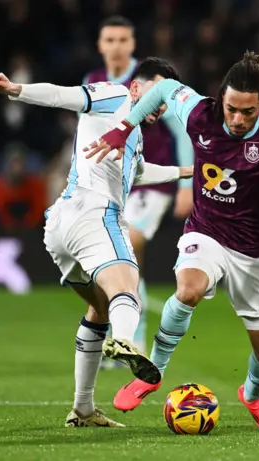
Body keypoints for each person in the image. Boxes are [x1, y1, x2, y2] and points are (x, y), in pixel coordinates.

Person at [84, 51, 259, 430]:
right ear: (221, 98)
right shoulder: (200, 112)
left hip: (254, 251)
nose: (238, 119)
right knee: (187, 290)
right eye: (232, 108)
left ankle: (252, 396)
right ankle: (150, 373)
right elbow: (164, 89)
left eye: (248, 112)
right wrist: (124, 127)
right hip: (206, 231)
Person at [0, 58, 193, 428]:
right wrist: (16, 90)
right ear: (137, 88)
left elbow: (138, 172)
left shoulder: (131, 132)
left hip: (61, 224)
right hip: (95, 214)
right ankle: (125, 341)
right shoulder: (115, 95)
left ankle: (83, 408)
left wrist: (186, 171)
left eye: (167, 100)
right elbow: (64, 96)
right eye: (157, 94)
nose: (161, 105)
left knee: (99, 309)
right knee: (127, 291)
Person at [85, 16, 194, 358]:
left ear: (132, 45)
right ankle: (113, 338)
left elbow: (181, 132)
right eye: (109, 40)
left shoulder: (154, 80)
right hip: (111, 182)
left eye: (122, 40)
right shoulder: (93, 81)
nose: (116, 46)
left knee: (129, 244)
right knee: (111, 262)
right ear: (100, 45)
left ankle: (134, 339)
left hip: (151, 182)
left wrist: (187, 185)